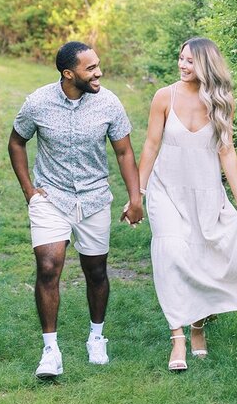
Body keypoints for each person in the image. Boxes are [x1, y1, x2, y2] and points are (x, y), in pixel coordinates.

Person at [133, 37, 237, 372]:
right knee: (171, 255)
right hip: (166, 192)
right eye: (181, 59)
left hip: (206, 195)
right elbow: (151, 145)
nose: (183, 66)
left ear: (206, 65)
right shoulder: (163, 97)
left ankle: (198, 327)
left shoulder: (221, 102)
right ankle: (177, 337)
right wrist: (137, 193)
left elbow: (227, 150)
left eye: (190, 61)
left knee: (201, 259)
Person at [8, 41, 143, 379]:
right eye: (90, 68)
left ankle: (97, 337)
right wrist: (29, 191)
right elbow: (16, 142)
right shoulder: (37, 103)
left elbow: (125, 153)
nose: (98, 73)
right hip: (51, 197)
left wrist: (135, 198)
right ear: (69, 74)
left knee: (95, 271)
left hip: (94, 198)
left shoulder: (109, 103)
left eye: (98, 65)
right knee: (49, 266)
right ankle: (50, 350)